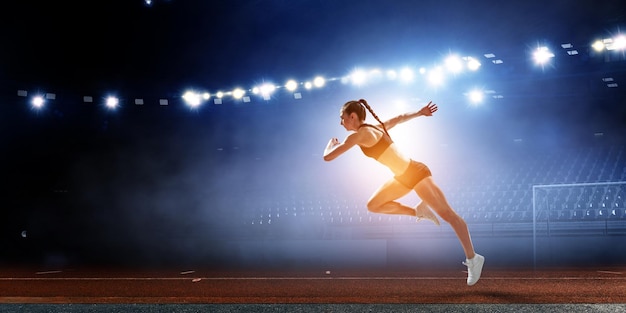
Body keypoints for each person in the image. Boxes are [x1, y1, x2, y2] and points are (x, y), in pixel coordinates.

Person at [323, 98, 484, 286]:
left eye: (342, 118)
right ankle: (417, 211)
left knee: (449, 215)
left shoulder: (357, 136)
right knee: (373, 205)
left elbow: (327, 157)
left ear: (353, 116)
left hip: (415, 174)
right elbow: (399, 118)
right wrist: (419, 112)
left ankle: (473, 259)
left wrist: (330, 144)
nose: (341, 123)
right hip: (403, 178)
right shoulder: (377, 127)